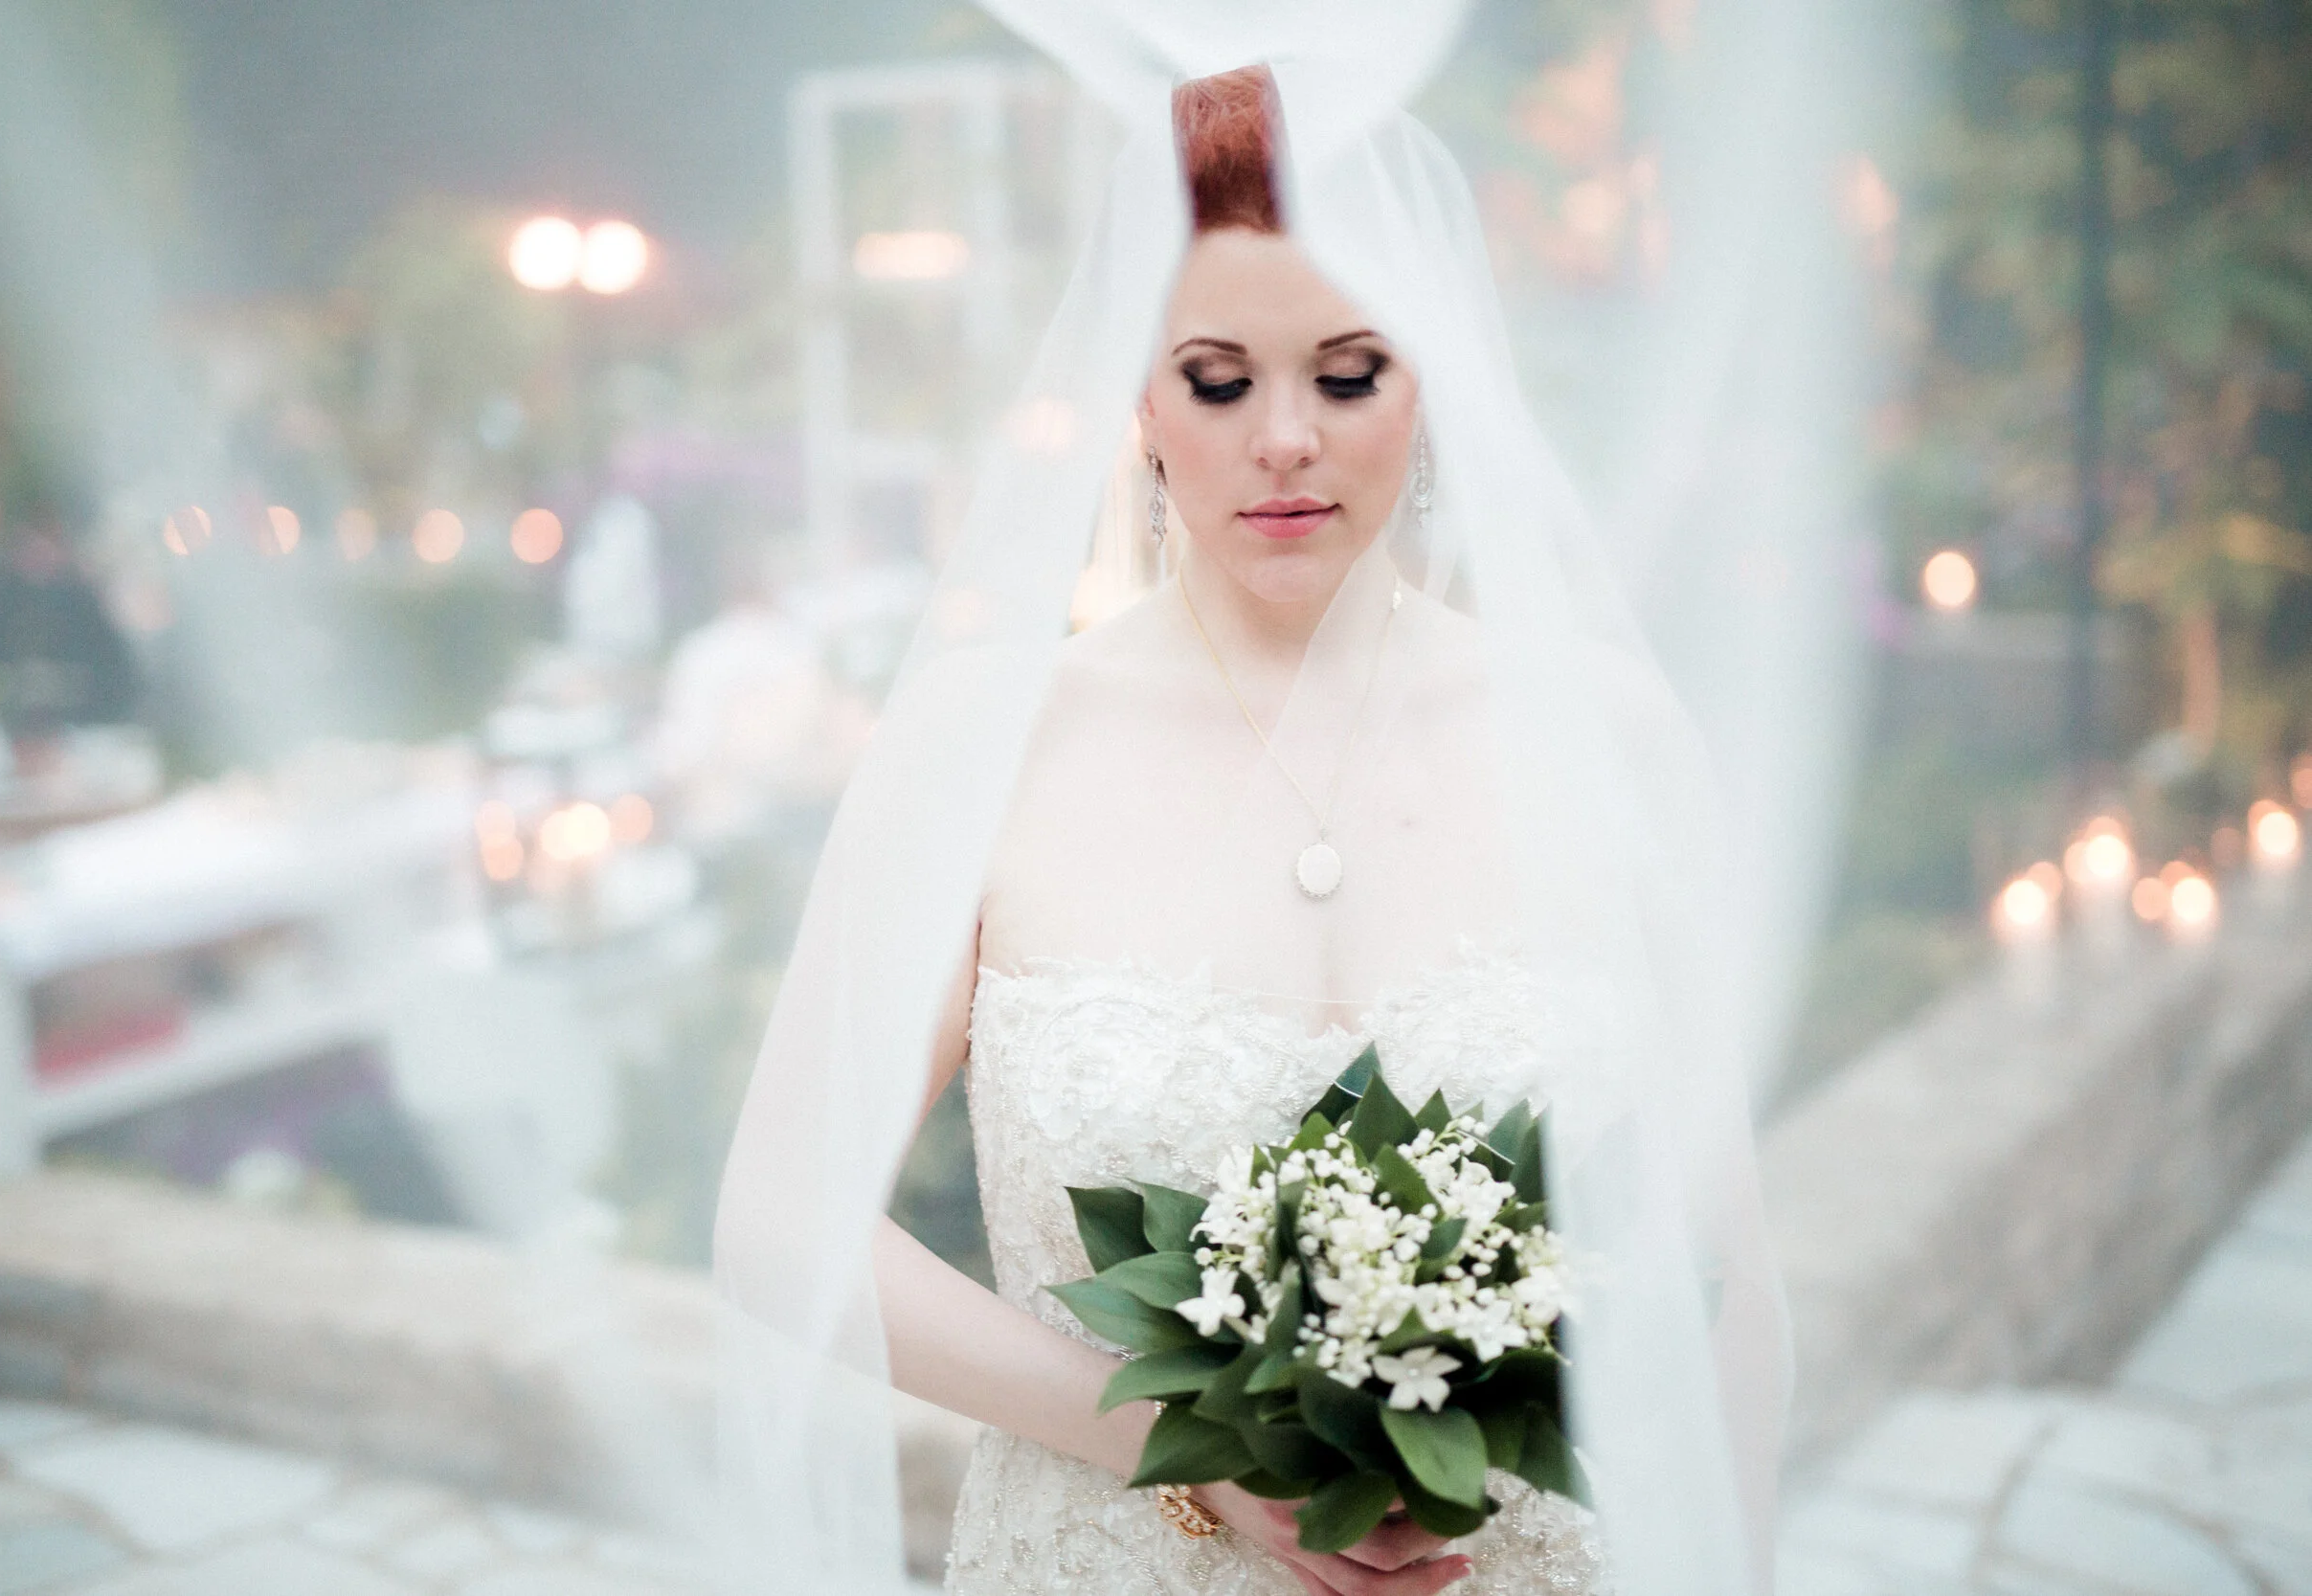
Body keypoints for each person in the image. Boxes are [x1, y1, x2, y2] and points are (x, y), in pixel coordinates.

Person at [711, 11, 1788, 1595]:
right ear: (1138, 399)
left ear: (1433, 380)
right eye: (1218, 381)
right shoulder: (983, 741)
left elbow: (1723, 1273)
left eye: (1348, 373)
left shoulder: (1604, 735)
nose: (1286, 438)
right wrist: (1184, 1440)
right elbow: (780, 1221)